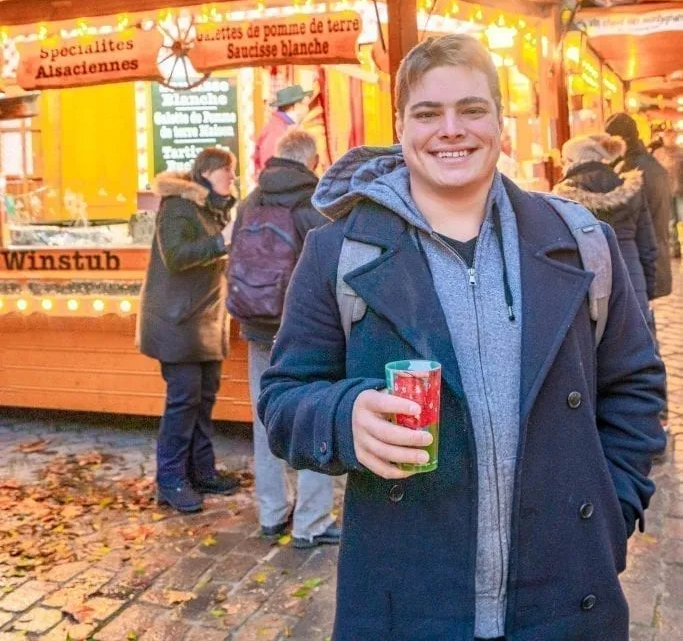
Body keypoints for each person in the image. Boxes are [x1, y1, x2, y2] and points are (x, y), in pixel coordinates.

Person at [259, 34, 665, 641]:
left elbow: (633, 385)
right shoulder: (338, 252)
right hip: (407, 599)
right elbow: (283, 397)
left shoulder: (582, 241)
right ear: (401, 127)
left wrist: (611, 512)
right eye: (428, 113)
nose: (451, 129)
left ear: (500, 122)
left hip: (563, 596)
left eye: (471, 109)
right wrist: (343, 417)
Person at [228, 128, 339, 548]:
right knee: (314, 415)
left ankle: (272, 512)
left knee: (264, 418)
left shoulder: (249, 201)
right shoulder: (315, 203)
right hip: (306, 332)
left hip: (257, 329)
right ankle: (311, 521)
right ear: (312, 161)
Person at [137, 147, 240, 514]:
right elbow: (176, 256)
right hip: (176, 322)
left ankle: (201, 470)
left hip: (204, 322)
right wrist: (221, 242)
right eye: (229, 173)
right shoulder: (178, 206)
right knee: (183, 401)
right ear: (210, 173)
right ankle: (170, 479)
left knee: (204, 398)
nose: (233, 180)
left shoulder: (211, 209)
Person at [553, 133, 657, 320]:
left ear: (572, 160)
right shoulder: (629, 186)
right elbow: (647, 245)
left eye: (564, 160)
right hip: (633, 276)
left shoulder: (563, 197)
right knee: (641, 341)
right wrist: (648, 288)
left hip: (592, 284)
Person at [606, 112, 673, 297]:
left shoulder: (631, 170)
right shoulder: (651, 166)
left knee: (642, 319)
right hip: (653, 258)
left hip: (642, 260)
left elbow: (641, 224)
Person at [253, 85, 311, 175]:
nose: (307, 109)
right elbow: (271, 170)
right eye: (305, 105)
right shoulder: (276, 131)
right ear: (295, 106)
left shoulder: (282, 126)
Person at [654, 128, 683, 259]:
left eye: (673, 136)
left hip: (681, 191)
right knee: (671, 221)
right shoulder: (658, 153)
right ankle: (674, 247)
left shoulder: (681, 152)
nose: (670, 139)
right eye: (668, 136)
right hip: (665, 192)